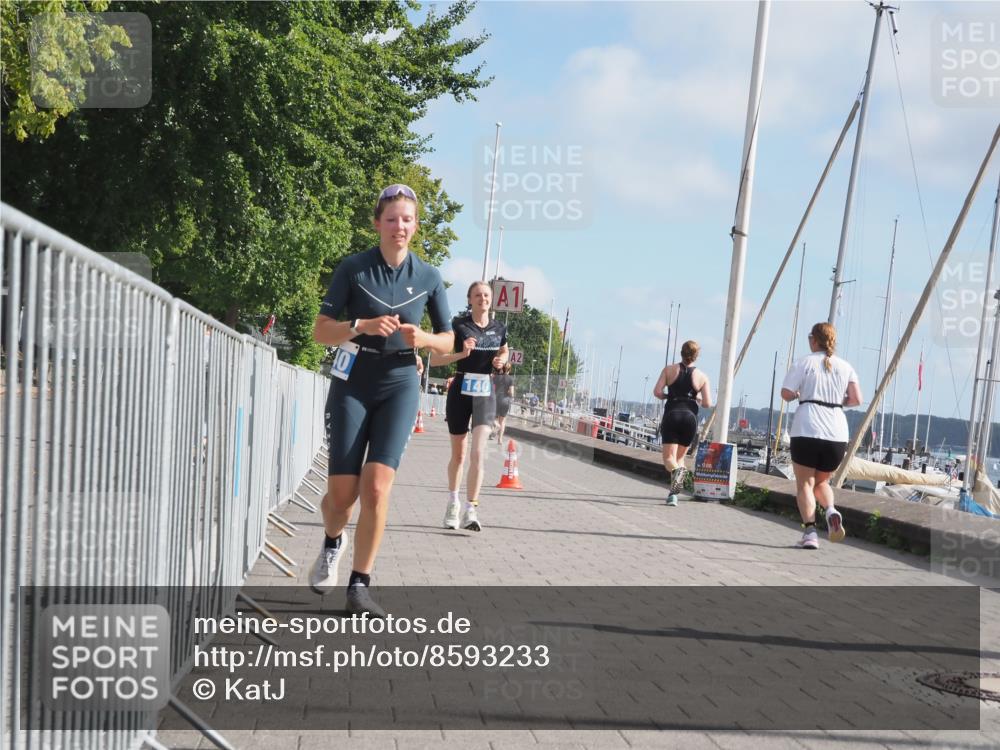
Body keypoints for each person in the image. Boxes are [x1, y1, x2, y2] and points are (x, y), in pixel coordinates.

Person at [309, 184, 454, 616]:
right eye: (391, 219)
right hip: (353, 380)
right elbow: (321, 331)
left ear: (416, 225)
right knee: (341, 497)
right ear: (377, 224)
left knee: (376, 487)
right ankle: (333, 542)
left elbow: (448, 342)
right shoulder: (354, 269)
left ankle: (359, 585)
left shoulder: (428, 276)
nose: (399, 226)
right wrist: (360, 325)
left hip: (400, 382)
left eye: (407, 219)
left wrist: (423, 337)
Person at [433, 281, 508, 532]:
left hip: (486, 391)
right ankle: (453, 502)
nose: (482, 299)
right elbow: (435, 359)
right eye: (477, 295)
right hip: (461, 389)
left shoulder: (499, 328)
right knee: (459, 455)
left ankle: (471, 508)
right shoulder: (459, 325)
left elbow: (505, 350)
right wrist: (461, 355)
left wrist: (501, 360)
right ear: (469, 299)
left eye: (486, 295)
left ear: (491, 299)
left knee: (478, 453)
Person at [780, 322, 862, 550]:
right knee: (822, 481)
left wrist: (799, 393)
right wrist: (837, 401)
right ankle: (831, 510)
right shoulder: (846, 367)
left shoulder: (804, 362)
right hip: (836, 431)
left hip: (807, 427)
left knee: (805, 483)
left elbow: (786, 393)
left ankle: (810, 533)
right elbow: (856, 399)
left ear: (814, 340)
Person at [653, 341, 712, 506]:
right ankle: (673, 495)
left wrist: (668, 396)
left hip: (672, 413)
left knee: (669, 459)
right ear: (696, 355)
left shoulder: (669, 370)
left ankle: (676, 474)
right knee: (680, 458)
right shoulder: (702, 376)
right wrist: (696, 398)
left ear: (681, 352)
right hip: (690, 417)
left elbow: (657, 392)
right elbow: (707, 403)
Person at [492, 362, 515, 444]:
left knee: (493, 418)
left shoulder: (496, 377)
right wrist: (508, 393)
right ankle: (500, 439)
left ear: (502, 368)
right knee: (503, 421)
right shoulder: (510, 379)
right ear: (510, 369)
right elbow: (512, 393)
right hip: (505, 401)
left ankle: (496, 426)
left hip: (496, 399)